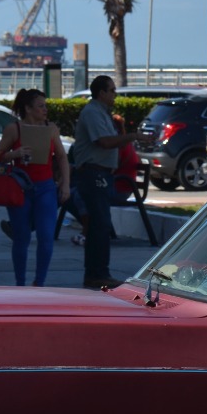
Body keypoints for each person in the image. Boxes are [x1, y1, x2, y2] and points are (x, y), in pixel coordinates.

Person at [0, 88, 70, 287]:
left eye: (45, 106)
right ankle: (20, 283)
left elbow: (62, 157)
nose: (45, 110)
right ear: (28, 109)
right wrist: (15, 153)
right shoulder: (14, 129)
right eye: (41, 106)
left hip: (46, 187)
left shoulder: (51, 128)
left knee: (46, 236)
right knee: (21, 238)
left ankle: (39, 282)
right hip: (20, 188)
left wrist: (65, 184)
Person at [71, 75, 138, 289]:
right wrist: (132, 136)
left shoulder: (102, 113)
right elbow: (105, 142)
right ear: (101, 92)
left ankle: (97, 273)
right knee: (99, 225)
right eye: (112, 90)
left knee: (99, 225)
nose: (115, 95)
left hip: (101, 174)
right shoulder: (92, 112)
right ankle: (98, 274)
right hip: (94, 174)